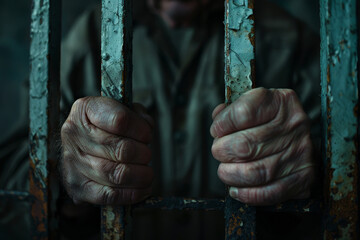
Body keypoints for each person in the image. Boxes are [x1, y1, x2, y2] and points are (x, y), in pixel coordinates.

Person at [0, 0, 321, 239]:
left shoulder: (287, 39)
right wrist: (64, 162)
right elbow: (13, 181)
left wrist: (312, 165)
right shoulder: (90, 36)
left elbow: (345, 173)